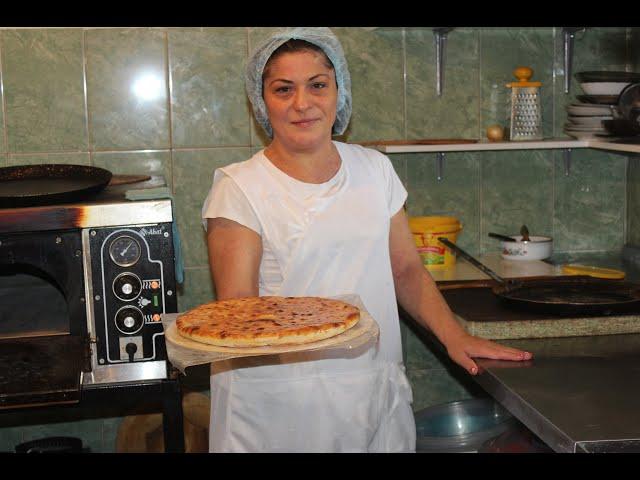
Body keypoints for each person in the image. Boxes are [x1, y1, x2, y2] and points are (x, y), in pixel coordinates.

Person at [201, 27, 532, 453]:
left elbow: (407, 269)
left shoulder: (374, 170)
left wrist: (455, 337)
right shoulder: (239, 187)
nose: (302, 103)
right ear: (261, 101)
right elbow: (239, 313)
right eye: (283, 89)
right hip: (280, 405)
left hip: (370, 389)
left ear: (339, 90)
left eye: (317, 85)